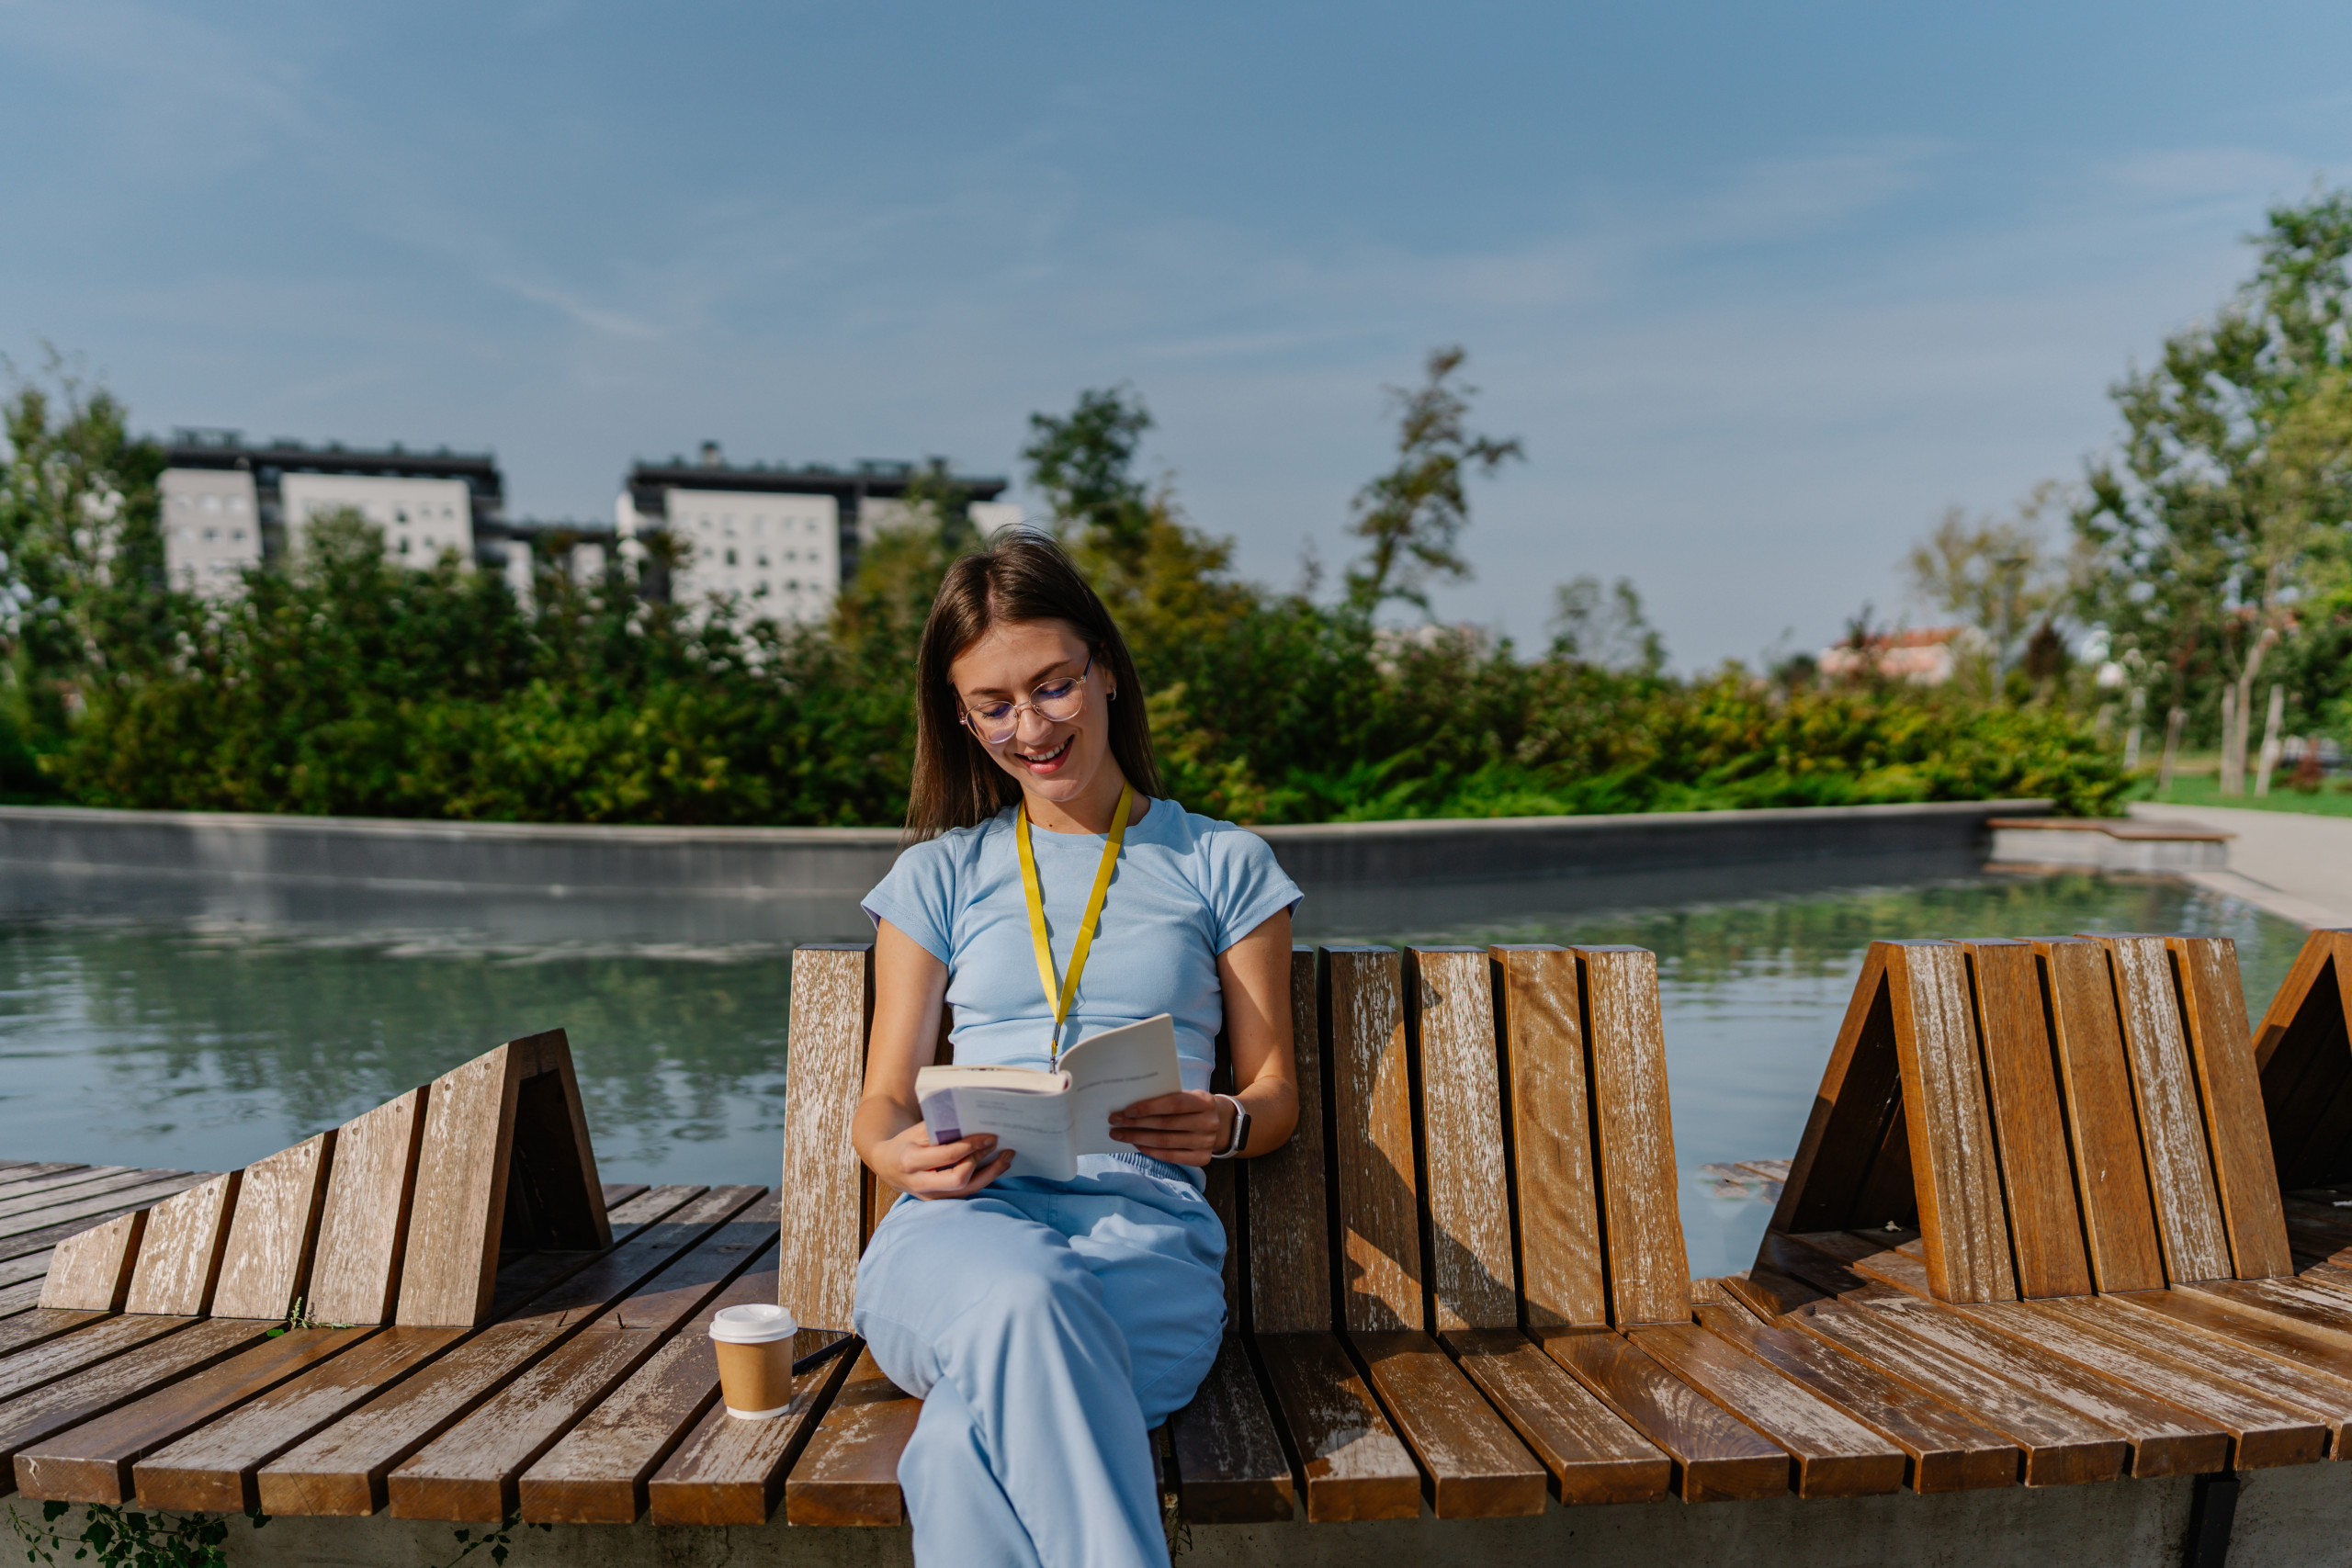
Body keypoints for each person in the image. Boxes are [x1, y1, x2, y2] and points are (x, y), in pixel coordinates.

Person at [853, 533, 1301, 1568]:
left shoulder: (1219, 864)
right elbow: (881, 1105)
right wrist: (898, 1156)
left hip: (1142, 1256)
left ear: (1103, 667)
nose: (1031, 727)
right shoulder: (936, 878)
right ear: (960, 718)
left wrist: (1226, 1120)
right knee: (1021, 1292)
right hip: (958, 1237)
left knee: (963, 1447)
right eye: (993, 705)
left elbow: (1274, 1092)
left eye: (1053, 686)